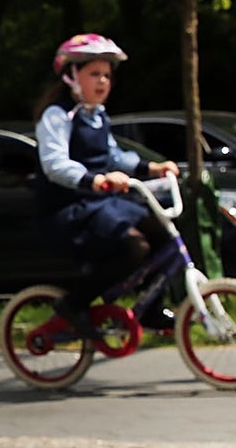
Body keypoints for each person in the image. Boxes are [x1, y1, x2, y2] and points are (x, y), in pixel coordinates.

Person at [33, 34, 179, 330]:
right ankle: (73, 304)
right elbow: (54, 164)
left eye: (107, 75)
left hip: (101, 203)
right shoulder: (58, 115)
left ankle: (151, 307)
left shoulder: (96, 115)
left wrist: (152, 167)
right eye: (94, 74)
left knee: (163, 235)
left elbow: (112, 155)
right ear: (71, 76)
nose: (102, 82)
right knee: (134, 247)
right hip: (71, 206)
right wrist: (94, 180)